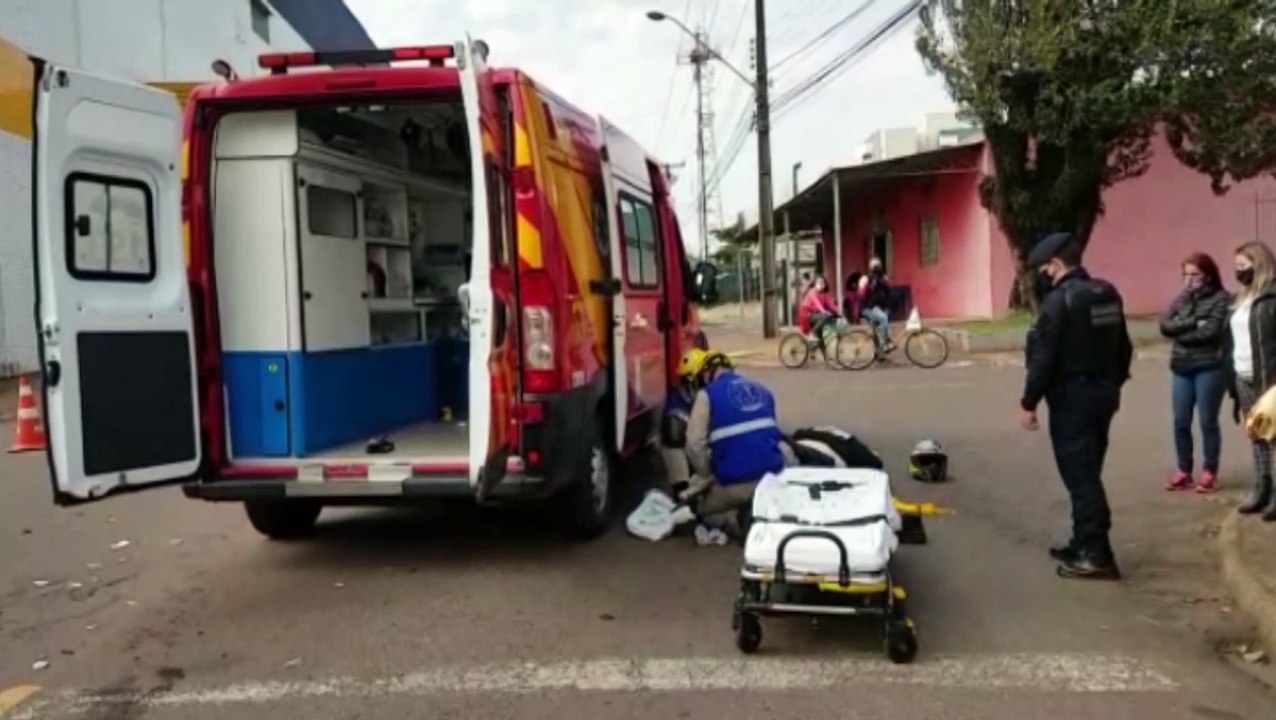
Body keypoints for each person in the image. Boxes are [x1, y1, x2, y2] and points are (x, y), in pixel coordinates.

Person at [1019, 232, 1133, 580]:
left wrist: (1029, 402)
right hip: (1103, 395)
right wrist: (1112, 383)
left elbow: (1044, 358)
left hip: (1072, 398)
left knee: (1080, 477)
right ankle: (1082, 540)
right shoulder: (1106, 292)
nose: (1043, 275)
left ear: (1055, 265)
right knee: (1089, 469)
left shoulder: (1059, 302)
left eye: (1044, 268)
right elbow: (1124, 347)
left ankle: (1097, 553)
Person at [681, 349, 798, 533]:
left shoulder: (707, 395)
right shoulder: (763, 390)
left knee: (702, 511)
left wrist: (706, 475)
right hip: (772, 476)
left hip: (735, 484)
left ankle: (736, 519)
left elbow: (694, 445)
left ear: (706, 373)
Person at [1160, 253, 1230, 493]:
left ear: (1208, 275)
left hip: (1209, 367)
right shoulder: (1182, 298)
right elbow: (1165, 326)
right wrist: (1191, 323)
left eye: (1195, 275)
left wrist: (1181, 331)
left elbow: (1210, 333)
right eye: (1186, 275)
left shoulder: (1221, 299)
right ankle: (1184, 471)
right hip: (1181, 367)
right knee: (1180, 421)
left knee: (1207, 421)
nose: (1189, 280)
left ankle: (1210, 471)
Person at [1227, 241, 1276, 521]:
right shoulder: (1240, 298)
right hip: (1242, 375)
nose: (1239, 272)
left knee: (1275, 437)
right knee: (1255, 434)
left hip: (1269, 378)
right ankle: (1262, 489)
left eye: (1243, 266)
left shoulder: (1272, 298)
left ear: (1259, 265)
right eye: (1236, 267)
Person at [858, 258, 894, 351]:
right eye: (874, 266)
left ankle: (880, 352)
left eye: (878, 265)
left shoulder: (882, 279)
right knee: (883, 319)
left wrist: (887, 306)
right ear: (870, 267)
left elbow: (888, 292)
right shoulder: (866, 278)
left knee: (882, 326)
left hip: (879, 308)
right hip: (867, 308)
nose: (876, 268)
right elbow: (861, 295)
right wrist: (868, 284)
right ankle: (885, 343)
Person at [797, 275, 840, 342]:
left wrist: (838, 312)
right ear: (815, 284)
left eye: (822, 282)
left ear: (825, 284)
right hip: (806, 314)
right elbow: (817, 303)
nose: (820, 284)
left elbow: (831, 304)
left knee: (821, 336)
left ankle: (823, 351)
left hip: (815, 314)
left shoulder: (825, 294)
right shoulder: (812, 291)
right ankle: (812, 334)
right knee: (823, 318)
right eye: (818, 282)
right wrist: (824, 312)